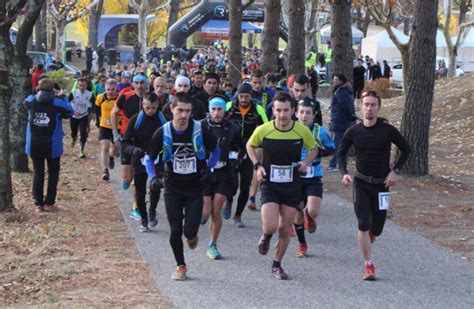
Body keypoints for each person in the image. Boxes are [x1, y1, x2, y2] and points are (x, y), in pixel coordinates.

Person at [146, 92, 219, 281]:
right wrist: (153, 178)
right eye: (180, 110)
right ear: (172, 108)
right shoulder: (163, 131)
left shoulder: (200, 128)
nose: (184, 115)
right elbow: (149, 158)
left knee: (190, 231)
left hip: (195, 187)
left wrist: (209, 168)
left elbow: (216, 149)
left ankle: (192, 237)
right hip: (173, 187)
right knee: (175, 230)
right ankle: (181, 266)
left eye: (187, 111)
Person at [338, 90, 410, 280]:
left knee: (376, 228)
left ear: (378, 107)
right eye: (366, 104)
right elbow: (341, 154)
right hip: (361, 183)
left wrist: (395, 170)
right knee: (363, 223)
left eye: (373, 105)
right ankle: (368, 264)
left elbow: (406, 149)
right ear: (360, 106)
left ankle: (367, 241)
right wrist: (345, 174)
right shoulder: (353, 131)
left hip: (381, 186)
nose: (369, 108)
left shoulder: (387, 130)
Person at [246, 93, 317, 280]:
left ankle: (277, 265)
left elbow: (314, 148)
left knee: (285, 228)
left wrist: (305, 162)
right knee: (270, 225)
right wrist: (257, 165)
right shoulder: (264, 130)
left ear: (293, 111)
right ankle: (266, 236)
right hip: (270, 183)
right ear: (273, 111)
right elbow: (250, 145)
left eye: (286, 110)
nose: (282, 114)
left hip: (291, 185)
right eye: (278, 110)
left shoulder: (302, 131)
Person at [201, 96, 244, 259]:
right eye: (213, 109)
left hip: (223, 172)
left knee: (216, 210)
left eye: (219, 109)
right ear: (209, 110)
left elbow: (241, 145)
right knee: (205, 213)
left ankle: (212, 244)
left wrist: (236, 158)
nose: (216, 112)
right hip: (205, 172)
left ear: (224, 111)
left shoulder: (232, 127)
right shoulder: (201, 125)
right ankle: (200, 218)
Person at [24, 78, 74, 212]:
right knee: (53, 173)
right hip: (53, 146)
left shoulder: (31, 101)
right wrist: (62, 96)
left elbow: (26, 101)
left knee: (38, 173)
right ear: (53, 90)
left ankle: (38, 204)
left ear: (38, 89)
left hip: (34, 144)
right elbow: (70, 111)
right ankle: (49, 203)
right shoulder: (58, 103)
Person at [293, 98, 335, 257]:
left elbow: (332, 149)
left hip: (314, 175)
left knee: (313, 210)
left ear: (314, 114)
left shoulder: (321, 132)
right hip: (296, 177)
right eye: (301, 112)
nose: (304, 116)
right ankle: (302, 244)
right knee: (297, 213)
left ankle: (310, 217)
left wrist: (317, 152)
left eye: (308, 113)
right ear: (296, 113)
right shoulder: (291, 129)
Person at [121, 93, 167, 232]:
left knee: (155, 186)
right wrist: (133, 150)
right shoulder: (136, 120)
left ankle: (152, 210)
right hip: (140, 159)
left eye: (153, 108)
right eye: (147, 108)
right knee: (140, 192)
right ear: (143, 105)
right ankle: (144, 218)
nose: (150, 111)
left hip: (157, 158)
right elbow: (125, 144)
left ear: (158, 106)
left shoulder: (164, 120)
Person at [225, 83, 268, 227]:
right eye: (241, 96)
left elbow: (265, 128)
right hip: (232, 149)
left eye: (246, 97)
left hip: (249, 150)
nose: (243, 99)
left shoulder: (257, 109)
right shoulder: (229, 106)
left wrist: (261, 146)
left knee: (245, 186)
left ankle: (238, 215)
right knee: (231, 184)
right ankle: (229, 199)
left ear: (251, 96)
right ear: (237, 95)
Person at [327, 74, 355, 172]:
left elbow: (344, 105)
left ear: (341, 81)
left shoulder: (341, 92)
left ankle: (334, 164)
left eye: (335, 80)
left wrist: (350, 115)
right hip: (340, 120)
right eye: (333, 79)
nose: (333, 81)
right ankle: (341, 164)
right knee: (342, 143)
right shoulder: (341, 91)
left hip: (340, 121)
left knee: (337, 143)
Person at [95, 79, 119, 181]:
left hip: (116, 126)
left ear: (116, 88)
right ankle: (105, 171)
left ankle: (111, 157)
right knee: (105, 146)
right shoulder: (100, 97)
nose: (110, 92)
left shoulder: (120, 98)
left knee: (115, 148)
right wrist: (97, 121)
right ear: (105, 89)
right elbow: (96, 109)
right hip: (104, 125)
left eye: (113, 89)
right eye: (108, 89)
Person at [68, 78, 95, 158]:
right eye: (80, 86)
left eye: (83, 86)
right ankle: (73, 138)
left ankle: (81, 150)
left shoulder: (90, 94)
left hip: (84, 115)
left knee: (83, 132)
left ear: (86, 86)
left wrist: (93, 113)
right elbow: (67, 103)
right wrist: (72, 111)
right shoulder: (73, 93)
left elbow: (94, 104)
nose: (82, 87)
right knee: (74, 131)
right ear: (77, 86)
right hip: (74, 116)